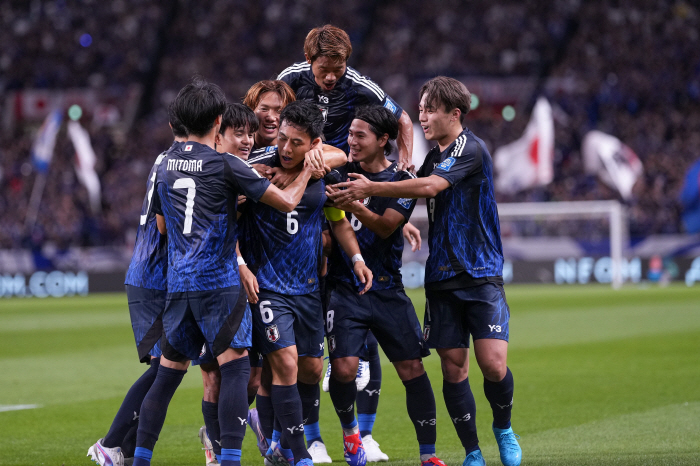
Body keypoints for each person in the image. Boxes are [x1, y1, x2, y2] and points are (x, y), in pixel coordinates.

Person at [326, 77, 522, 466]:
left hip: (481, 273)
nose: (422, 117)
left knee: (493, 365)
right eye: (420, 110)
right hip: (442, 278)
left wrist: (369, 191)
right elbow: (414, 197)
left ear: (455, 113)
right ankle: (472, 452)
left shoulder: (471, 149)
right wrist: (405, 221)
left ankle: (503, 426)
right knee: (453, 368)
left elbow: (430, 188)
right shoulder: (432, 158)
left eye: (430, 110)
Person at [131, 78, 323, 466]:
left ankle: (140, 460)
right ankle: (230, 459)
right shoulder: (227, 164)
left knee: (167, 376)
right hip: (219, 285)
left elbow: (164, 227)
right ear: (219, 121)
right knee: (236, 371)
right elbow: (286, 202)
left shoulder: (165, 162)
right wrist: (305, 173)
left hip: (178, 284)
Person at [238, 100, 372, 466]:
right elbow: (227, 218)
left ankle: (276, 439)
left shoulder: (322, 171)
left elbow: (339, 219)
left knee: (312, 369)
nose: (284, 148)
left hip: (309, 287)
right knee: (286, 363)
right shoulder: (256, 167)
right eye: (282, 138)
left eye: (296, 142)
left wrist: (356, 258)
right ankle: (299, 456)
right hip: (267, 286)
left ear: (314, 143)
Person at [324, 106, 444, 466]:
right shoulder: (337, 172)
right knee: (344, 369)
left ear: (383, 140)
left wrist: (355, 204)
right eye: (350, 134)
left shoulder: (402, 181)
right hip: (345, 287)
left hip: (389, 289)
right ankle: (350, 435)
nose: (352, 141)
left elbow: (386, 227)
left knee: (413, 371)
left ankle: (429, 455)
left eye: (361, 135)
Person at [87, 107, 187, 466]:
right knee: (165, 367)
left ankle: (123, 450)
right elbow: (164, 227)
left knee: (170, 367)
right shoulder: (179, 162)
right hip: (155, 276)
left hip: (156, 275)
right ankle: (111, 444)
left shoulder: (169, 159)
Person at [194, 102, 263, 466]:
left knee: (252, 377)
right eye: (240, 134)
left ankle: (221, 433)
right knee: (215, 376)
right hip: (212, 283)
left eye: (251, 134)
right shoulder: (210, 172)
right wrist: (238, 262)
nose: (248, 140)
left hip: (253, 283)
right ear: (218, 135)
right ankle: (219, 452)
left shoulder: (248, 167)